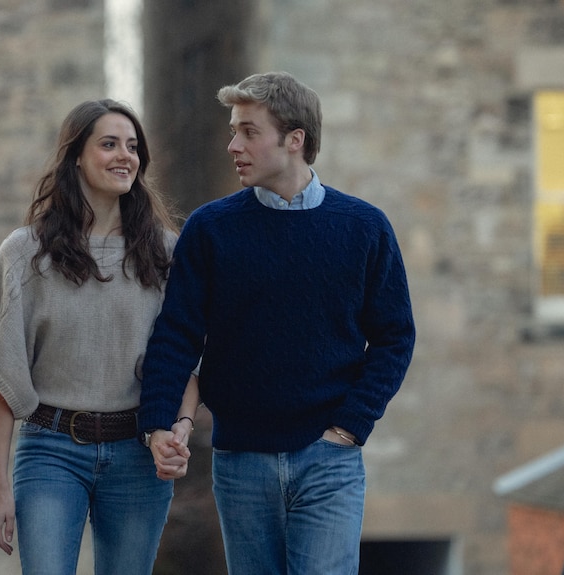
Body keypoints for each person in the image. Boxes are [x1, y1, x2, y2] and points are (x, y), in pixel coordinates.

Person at [139, 72, 416, 574]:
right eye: (232, 130)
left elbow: (395, 337)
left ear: (295, 140)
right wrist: (160, 421)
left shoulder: (364, 228)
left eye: (248, 131)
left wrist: (351, 426)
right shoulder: (211, 229)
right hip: (240, 461)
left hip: (329, 461)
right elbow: (177, 335)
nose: (232, 145)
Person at [0, 99, 198, 575]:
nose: (123, 156)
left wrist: (180, 429)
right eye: (108, 144)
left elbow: (186, 363)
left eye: (132, 147)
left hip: (137, 455)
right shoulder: (26, 253)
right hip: (50, 452)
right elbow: (4, 376)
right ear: (75, 156)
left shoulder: (167, 253)